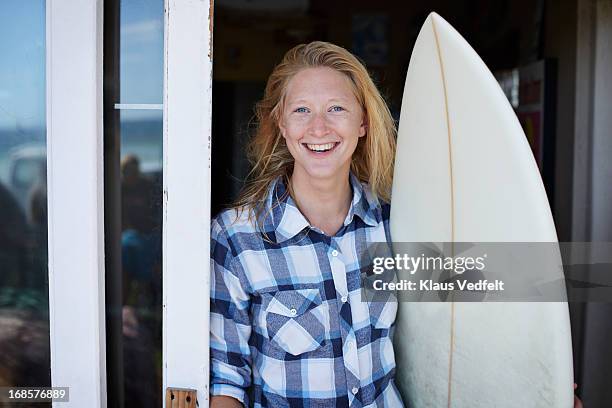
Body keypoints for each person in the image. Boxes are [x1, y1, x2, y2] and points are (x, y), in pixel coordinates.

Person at [209, 41, 400, 407]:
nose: (319, 127)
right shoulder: (237, 239)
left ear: (362, 122)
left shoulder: (393, 223)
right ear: (281, 123)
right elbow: (226, 380)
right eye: (301, 110)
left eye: (336, 108)